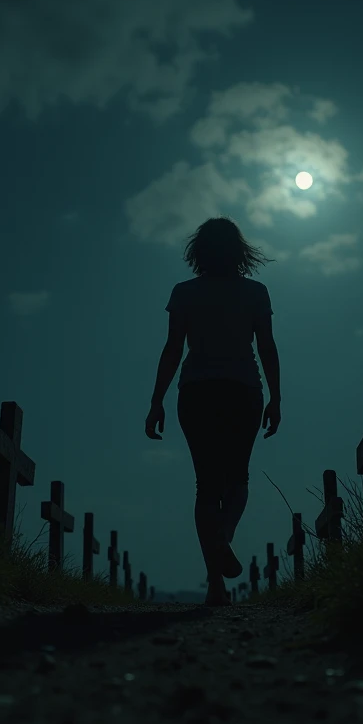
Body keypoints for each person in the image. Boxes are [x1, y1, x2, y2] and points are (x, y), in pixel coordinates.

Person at [144, 217, 282, 606]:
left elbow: (173, 349)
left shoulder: (185, 292)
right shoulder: (256, 292)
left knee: (206, 484)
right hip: (243, 391)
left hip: (196, 392)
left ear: (198, 251)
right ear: (240, 250)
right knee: (237, 478)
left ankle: (216, 586)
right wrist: (277, 397)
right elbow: (267, 347)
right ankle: (224, 536)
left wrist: (156, 400)